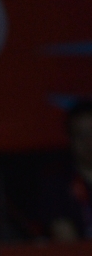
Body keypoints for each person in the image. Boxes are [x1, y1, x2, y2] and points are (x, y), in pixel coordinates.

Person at [40, 99, 92, 242]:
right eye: (81, 135)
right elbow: (66, 240)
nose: (89, 142)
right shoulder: (57, 183)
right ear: (70, 139)